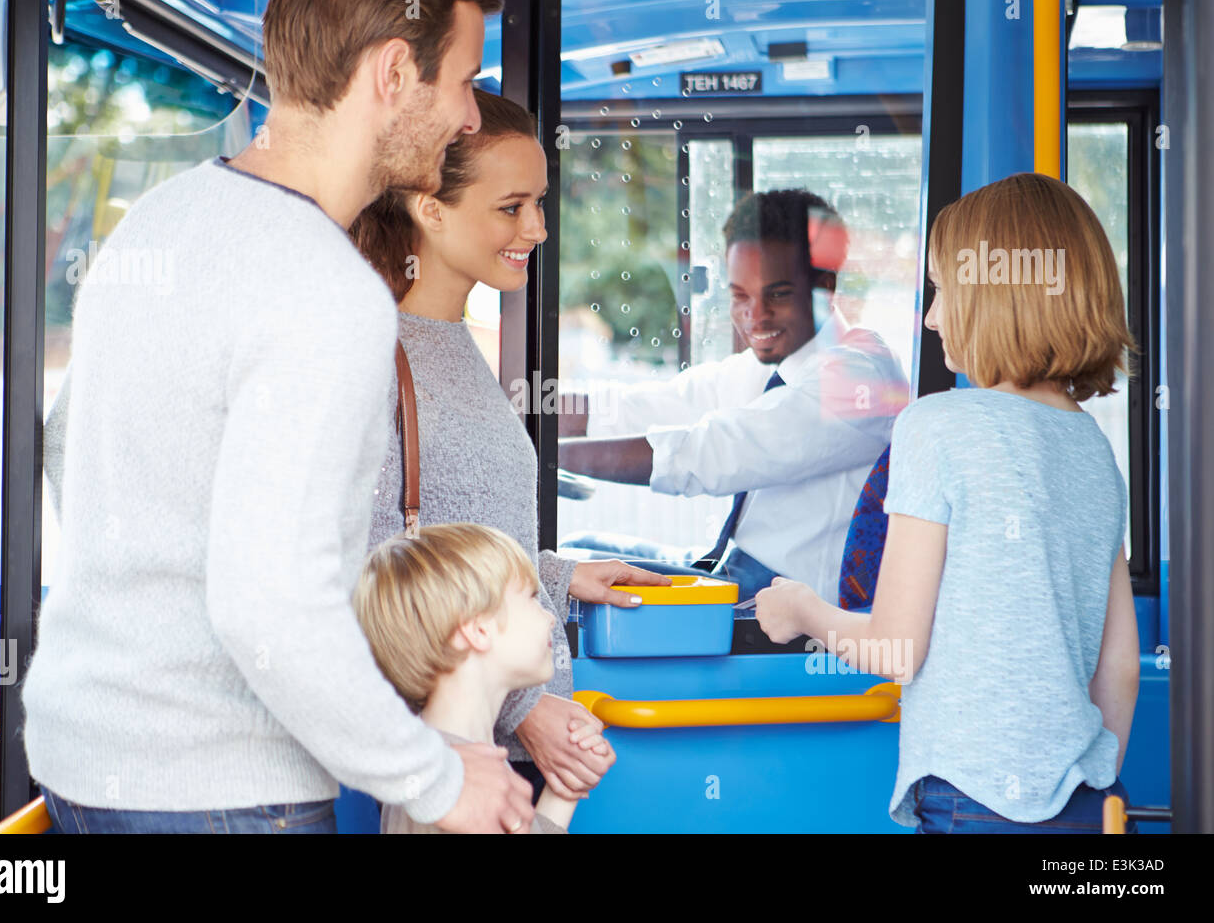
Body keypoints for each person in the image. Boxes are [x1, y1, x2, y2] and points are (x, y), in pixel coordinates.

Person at [26, 0, 538, 835]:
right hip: (222, 790)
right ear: (391, 75)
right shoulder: (323, 289)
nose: (468, 117)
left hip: (86, 770)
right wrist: (439, 781)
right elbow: (272, 603)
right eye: (464, 82)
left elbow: (65, 449)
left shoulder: (158, 222)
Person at [754, 171, 1141, 833]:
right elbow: (1120, 665)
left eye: (940, 292)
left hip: (973, 797)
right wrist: (1082, 790)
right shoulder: (1091, 447)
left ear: (996, 295)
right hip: (1093, 799)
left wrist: (800, 609)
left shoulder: (938, 425)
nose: (931, 317)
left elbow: (896, 647)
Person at [350, 89, 666, 804]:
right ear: (429, 210)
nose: (539, 228)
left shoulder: (452, 342)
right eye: (510, 207)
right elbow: (374, 575)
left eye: (541, 203)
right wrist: (525, 713)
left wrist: (557, 576)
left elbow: (441, 535)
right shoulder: (373, 357)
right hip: (455, 763)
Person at [557, 190, 909, 602]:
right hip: (731, 567)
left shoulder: (859, 376)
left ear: (824, 287)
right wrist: (528, 411)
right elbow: (652, 405)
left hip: (784, 606)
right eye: (740, 295)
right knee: (575, 551)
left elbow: (710, 454)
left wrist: (549, 458)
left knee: (567, 586)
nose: (754, 317)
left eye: (777, 295)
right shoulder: (770, 364)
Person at [355, 523, 612, 833]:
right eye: (531, 598)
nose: (550, 617)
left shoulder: (461, 761)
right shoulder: (459, 780)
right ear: (477, 630)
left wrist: (564, 792)